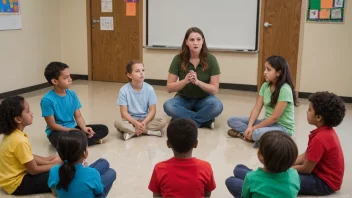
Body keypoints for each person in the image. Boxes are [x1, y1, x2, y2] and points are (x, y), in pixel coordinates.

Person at [227, 55, 298, 146]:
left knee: (257, 133)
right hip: (266, 123)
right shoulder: (265, 86)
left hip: (282, 128)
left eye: (268, 70)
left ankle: (248, 135)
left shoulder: (285, 89)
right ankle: (251, 136)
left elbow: (274, 117)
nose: (264, 72)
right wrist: (249, 126)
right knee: (231, 120)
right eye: (265, 69)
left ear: (278, 73)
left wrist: (254, 128)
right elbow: (257, 108)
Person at [163, 27, 223, 129]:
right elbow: (169, 88)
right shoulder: (178, 59)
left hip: (204, 99)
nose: (195, 43)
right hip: (183, 99)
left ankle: (183, 119)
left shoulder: (211, 59)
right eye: (192, 40)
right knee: (168, 106)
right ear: (186, 42)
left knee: (217, 106)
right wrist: (185, 81)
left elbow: (214, 89)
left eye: (198, 39)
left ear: (203, 41)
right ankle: (204, 122)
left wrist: (198, 82)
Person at [0, 96, 61, 195]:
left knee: (55, 166)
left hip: (9, 182)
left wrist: (48, 159)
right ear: (18, 119)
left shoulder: (12, 135)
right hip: (17, 185)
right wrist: (56, 165)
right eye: (28, 111)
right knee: (60, 173)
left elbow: (28, 157)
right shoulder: (19, 140)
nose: (32, 114)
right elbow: (34, 170)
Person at [41, 62, 108, 148]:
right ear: (55, 81)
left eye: (70, 76)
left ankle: (79, 142)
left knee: (103, 129)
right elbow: (52, 125)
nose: (70, 79)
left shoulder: (72, 94)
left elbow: (78, 116)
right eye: (65, 78)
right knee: (62, 141)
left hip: (74, 129)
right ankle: (86, 141)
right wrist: (72, 130)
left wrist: (83, 128)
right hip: (57, 132)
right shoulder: (47, 100)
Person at [293, 91, 345, 196]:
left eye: (309, 110)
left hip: (324, 184)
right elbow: (306, 155)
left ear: (318, 117)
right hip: (321, 176)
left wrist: (283, 169)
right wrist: (287, 162)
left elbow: (306, 169)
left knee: (283, 178)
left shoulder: (320, 139)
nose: (306, 112)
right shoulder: (325, 132)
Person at [148, 118, 216, 197]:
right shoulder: (205, 167)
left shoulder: (159, 169)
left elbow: (156, 196)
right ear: (196, 144)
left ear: (168, 144)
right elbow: (207, 195)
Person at [225, 131, 300, 198]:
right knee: (238, 168)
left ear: (260, 156)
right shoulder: (294, 174)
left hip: (255, 181)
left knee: (230, 181)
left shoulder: (251, 177)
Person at [48, 130, 116, 197]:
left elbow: (55, 194)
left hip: (85, 173)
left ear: (59, 154)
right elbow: (99, 191)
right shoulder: (92, 173)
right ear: (84, 154)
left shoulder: (53, 170)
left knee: (103, 162)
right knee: (111, 172)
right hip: (89, 175)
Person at [114, 60, 166, 140]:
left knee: (162, 122)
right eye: (137, 71)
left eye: (143, 70)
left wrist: (144, 122)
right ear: (129, 75)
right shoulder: (123, 90)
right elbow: (123, 113)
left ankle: (132, 132)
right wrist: (135, 123)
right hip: (131, 121)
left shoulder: (149, 89)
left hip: (145, 120)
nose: (141, 73)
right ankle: (148, 132)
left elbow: (152, 111)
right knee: (118, 123)